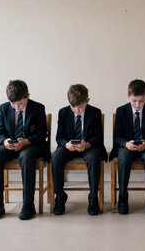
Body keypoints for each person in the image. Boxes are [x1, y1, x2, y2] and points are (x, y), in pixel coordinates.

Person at [0, 80, 50, 220]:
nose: (17, 108)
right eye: (13, 104)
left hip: (31, 145)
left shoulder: (38, 108)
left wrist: (26, 141)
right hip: (10, 144)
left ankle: (28, 205)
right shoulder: (3, 108)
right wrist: (5, 141)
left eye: (20, 104)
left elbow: (42, 134)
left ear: (27, 96)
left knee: (26, 157)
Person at [51, 84, 107, 216]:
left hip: (89, 146)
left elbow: (98, 137)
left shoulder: (95, 112)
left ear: (88, 101)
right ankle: (59, 196)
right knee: (56, 158)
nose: (77, 110)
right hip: (69, 146)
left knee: (93, 158)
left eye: (81, 106)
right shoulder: (63, 112)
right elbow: (59, 137)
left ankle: (93, 197)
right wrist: (66, 144)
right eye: (73, 107)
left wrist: (86, 144)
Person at [109, 79, 145, 215]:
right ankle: (123, 197)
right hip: (127, 146)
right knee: (124, 158)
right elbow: (117, 136)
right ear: (128, 96)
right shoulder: (121, 111)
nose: (138, 104)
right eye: (134, 101)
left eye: (141, 101)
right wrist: (126, 144)